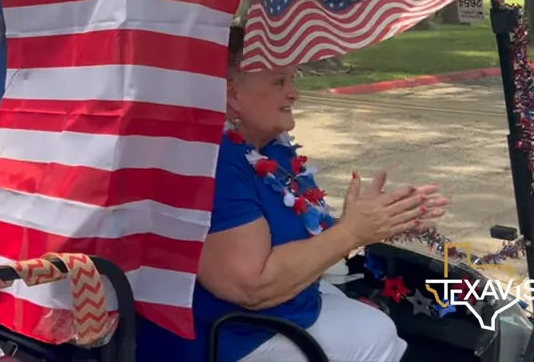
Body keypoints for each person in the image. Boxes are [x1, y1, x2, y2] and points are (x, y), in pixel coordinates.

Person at [138, 27, 450, 362]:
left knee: (377, 319)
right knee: (379, 334)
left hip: (286, 310)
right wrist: (351, 232)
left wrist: (376, 220)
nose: (294, 93)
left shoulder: (272, 151)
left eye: (291, 80)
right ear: (231, 95)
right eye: (278, 83)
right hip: (231, 338)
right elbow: (251, 287)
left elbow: (308, 239)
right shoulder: (214, 161)